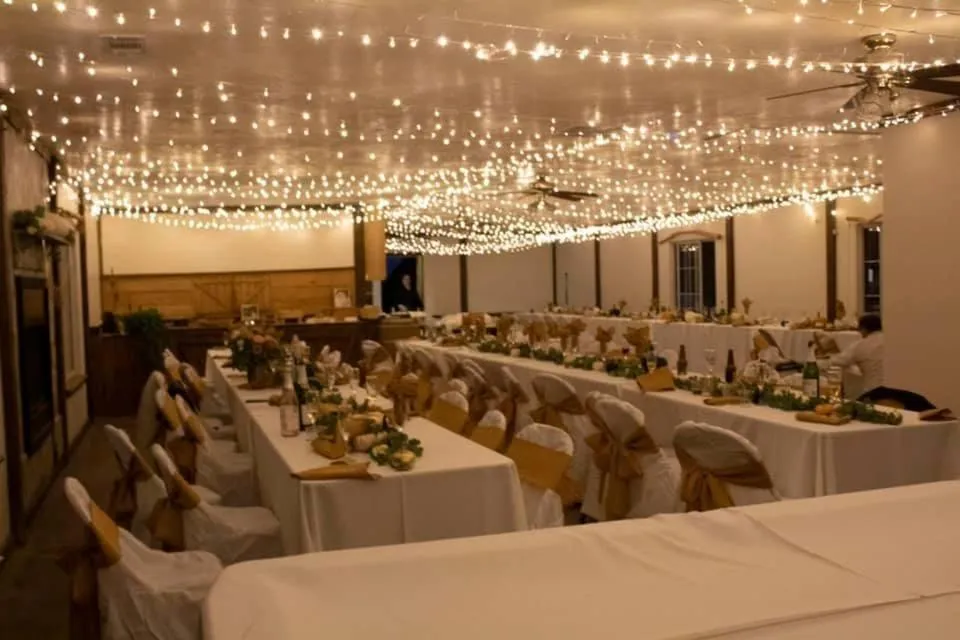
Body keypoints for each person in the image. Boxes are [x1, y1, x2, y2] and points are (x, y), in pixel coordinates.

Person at [826, 313, 884, 394]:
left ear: (863, 329)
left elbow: (838, 360)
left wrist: (826, 356)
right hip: (899, 391)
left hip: (874, 393)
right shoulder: (893, 342)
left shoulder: (860, 346)